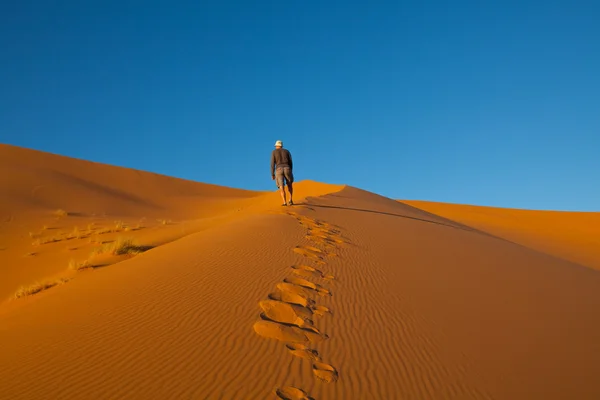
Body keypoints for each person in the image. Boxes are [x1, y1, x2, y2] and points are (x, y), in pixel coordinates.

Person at [270, 140, 294, 206]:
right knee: (289, 184)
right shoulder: (287, 151)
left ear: (277, 146)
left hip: (278, 169)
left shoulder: (273, 152)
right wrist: (290, 170)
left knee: (281, 186)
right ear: (281, 146)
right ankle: (290, 199)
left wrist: (272, 174)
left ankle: (284, 202)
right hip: (287, 168)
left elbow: (272, 163)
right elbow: (291, 162)